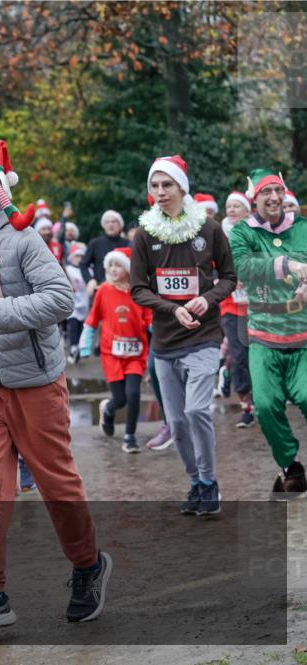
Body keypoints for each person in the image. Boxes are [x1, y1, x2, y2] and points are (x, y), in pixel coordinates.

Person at [0, 139, 111, 633]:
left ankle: (89, 564)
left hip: (35, 384)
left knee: (56, 484)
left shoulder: (24, 240)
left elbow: (60, 299)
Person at [130, 155, 235, 517]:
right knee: (175, 421)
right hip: (165, 342)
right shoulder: (144, 234)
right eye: (154, 186)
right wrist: (172, 308)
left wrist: (207, 299)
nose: (160, 192)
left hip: (204, 336)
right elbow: (137, 289)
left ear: (181, 188)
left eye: (167, 185)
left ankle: (210, 481)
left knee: (196, 410)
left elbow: (229, 278)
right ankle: (195, 483)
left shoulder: (209, 229)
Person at [228, 169, 307, 497]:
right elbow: (243, 268)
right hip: (262, 335)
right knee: (266, 404)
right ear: (254, 199)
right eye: (266, 192)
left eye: (277, 190)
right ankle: (290, 464)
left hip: (302, 334)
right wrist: (286, 265)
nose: (273, 197)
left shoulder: (302, 229)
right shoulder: (242, 233)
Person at [79, 248, 153, 452]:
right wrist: (84, 346)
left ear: (129, 268)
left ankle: (130, 436)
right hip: (111, 353)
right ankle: (108, 409)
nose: (113, 269)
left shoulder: (140, 292)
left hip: (136, 354)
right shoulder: (103, 290)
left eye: (118, 264)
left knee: (133, 394)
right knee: (120, 399)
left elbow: (150, 321)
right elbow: (92, 320)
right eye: (110, 265)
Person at [219, 191, 255, 428]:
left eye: (236, 206)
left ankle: (262, 399)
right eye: (228, 206)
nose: (231, 210)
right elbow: (211, 267)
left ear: (248, 211)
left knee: (257, 355)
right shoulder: (219, 237)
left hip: (257, 306)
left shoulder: (257, 235)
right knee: (239, 355)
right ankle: (246, 406)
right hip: (231, 306)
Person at [82, 210, 130, 295]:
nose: (110, 224)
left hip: (124, 289)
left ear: (120, 225)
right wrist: (90, 280)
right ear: (103, 225)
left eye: (113, 221)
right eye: (107, 222)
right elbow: (83, 264)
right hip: (100, 289)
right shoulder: (95, 243)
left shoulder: (128, 243)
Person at [65, 242, 89, 363]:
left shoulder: (87, 270)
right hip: (73, 302)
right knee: (73, 325)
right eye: (76, 256)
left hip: (85, 301)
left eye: (81, 256)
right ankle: (73, 346)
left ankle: (78, 348)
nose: (79, 259)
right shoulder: (68, 270)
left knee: (82, 326)